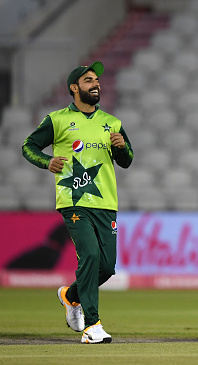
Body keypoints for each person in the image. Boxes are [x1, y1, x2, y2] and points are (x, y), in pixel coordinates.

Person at [22, 61, 133, 344]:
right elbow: (28, 146)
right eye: (88, 80)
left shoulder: (112, 122)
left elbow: (127, 160)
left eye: (97, 80)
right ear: (74, 88)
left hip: (106, 202)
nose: (96, 83)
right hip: (73, 200)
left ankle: (70, 297)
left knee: (107, 268)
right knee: (91, 256)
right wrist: (48, 162)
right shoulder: (57, 120)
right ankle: (92, 326)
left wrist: (121, 147)